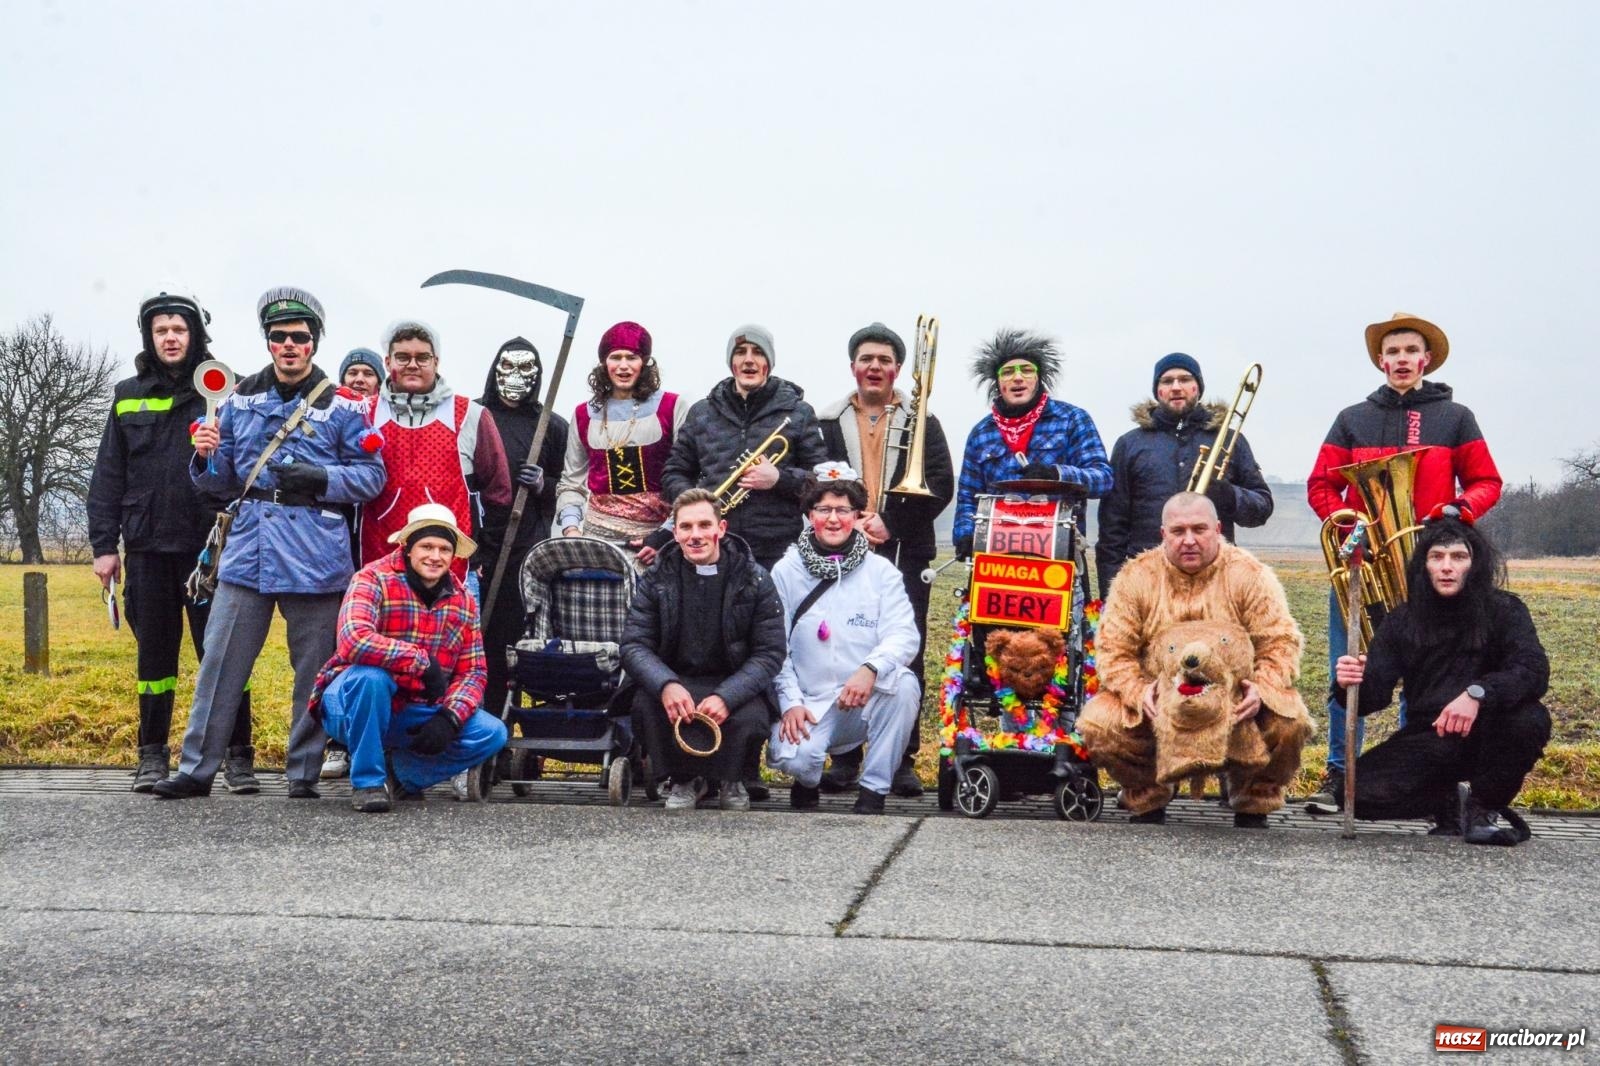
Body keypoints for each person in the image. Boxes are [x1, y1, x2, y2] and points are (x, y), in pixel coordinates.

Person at [152, 286, 385, 799]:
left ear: (314, 344)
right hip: (249, 548)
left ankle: (303, 773)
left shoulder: (345, 406)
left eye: (299, 337)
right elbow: (219, 483)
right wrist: (206, 455)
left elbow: (371, 478)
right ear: (268, 342)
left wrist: (321, 478)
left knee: (315, 672)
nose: (288, 345)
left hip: (315, 551)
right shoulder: (237, 400)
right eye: (279, 337)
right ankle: (196, 770)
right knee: (219, 664)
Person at [1305, 312, 1503, 806]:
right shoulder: (1352, 418)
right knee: (1349, 668)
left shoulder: (1455, 417)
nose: (1401, 360)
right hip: (1364, 564)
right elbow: (1320, 484)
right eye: (1392, 352)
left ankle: (1420, 775)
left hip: (1430, 568)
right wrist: (1352, 526)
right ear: (1380, 360)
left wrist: (1459, 511)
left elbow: (1487, 482)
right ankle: (1339, 771)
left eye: (1410, 351)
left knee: (1431, 674)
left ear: (1426, 359)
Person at [87, 291, 258, 793]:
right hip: (147, 548)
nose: (169, 337)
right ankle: (152, 756)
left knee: (223, 656)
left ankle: (238, 756)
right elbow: (107, 478)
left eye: (178, 329)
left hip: (210, 547)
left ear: (195, 335)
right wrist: (104, 547)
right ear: (149, 337)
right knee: (155, 660)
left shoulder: (228, 392)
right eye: (160, 329)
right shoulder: (126, 394)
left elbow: (248, 467)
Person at [1079, 492, 1313, 827]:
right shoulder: (1135, 578)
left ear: (1217, 529)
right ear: (1163, 535)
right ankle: (1149, 792)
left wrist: (1261, 689)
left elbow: (1281, 643)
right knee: (1099, 723)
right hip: (1159, 709)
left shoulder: (1250, 575)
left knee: (1291, 722)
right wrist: (1137, 692)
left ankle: (1251, 795)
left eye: (1199, 529)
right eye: (1178, 531)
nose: (1189, 540)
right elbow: (1113, 651)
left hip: (1235, 710)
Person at [1331, 517, 1550, 845]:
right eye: (1437, 557)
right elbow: (1372, 699)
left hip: (1493, 730)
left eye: (1458, 557)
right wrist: (1350, 682)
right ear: (1425, 565)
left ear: (1474, 564)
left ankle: (1483, 807)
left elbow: (1533, 671)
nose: (1447, 567)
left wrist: (1478, 694)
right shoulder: (1402, 621)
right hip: (1432, 738)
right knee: (1352, 793)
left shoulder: (1505, 610)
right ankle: (1448, 802)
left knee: (1530, 719)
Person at [813, 322, 954, 797]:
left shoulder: (923, 419)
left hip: (906, 548)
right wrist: (851, 523)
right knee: (844, 649)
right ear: (853, 366)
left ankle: (900, 759)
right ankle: (845, 756)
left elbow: (939, 481)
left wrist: (891, 523)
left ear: (898, 369)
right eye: (866, 359)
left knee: (905, 649)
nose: (875, 367)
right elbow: (819, 483)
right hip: (843, 547)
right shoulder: (828, 420)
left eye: (885, 360)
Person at [308, 504, 509, 813]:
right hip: (350, 703)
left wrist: (449, 718)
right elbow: (353, 640)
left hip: (417, 709)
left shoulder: (463, 600)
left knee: (492, 732)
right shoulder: (372, 578)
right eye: (426, 546)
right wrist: (420, 661)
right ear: (408, 548)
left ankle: (401, 775)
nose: (435, 556)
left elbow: (474, 672)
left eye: (444, 549)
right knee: (371, 678)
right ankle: (368, 783)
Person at [764, 465, 921, 814]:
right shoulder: (785, 571)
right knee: (797, 758)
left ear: (857, 515)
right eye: (823, 510)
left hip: (862, 697)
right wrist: (790, 702)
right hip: (809, 701)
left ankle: (873, 791)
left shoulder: (881, 572)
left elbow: (903, 634)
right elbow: (773, 645)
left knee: (905, 686)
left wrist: (871, 668)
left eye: (843, 510)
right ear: (809, 516)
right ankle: (807, 783)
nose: (833, 519)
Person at [619, 489, 786, 812]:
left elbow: (770, 653)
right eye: (686, 527)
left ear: (721, 529)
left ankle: (731, 777)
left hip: (734, 683)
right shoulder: (656, 578)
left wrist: (728, 696)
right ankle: (683, 778)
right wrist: (665, 685)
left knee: (750, 717)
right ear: (676, 532)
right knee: (644, 705)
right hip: (676, 680)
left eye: (703, 525)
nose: (695, 536)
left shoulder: (755, 578)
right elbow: (634, 644)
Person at [1096, 352, 1273, 596]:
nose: (1176, 387)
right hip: (1149, 579)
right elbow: (1112, 527)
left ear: (1197, 388)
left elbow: (1262, 507)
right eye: (1167, 381)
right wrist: (1112, 590)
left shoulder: (1232, 439)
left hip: (1215, 579)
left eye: (1185, 379)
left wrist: (1228, 495)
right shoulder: (1130, 444)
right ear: (1157, 391)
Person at [660, 324, 829, 571]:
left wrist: (779, 479)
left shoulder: (798, 412)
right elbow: (674, 472)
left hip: (777, 550)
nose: (749, 360)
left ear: (769, 362)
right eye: (740, 352)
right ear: (732, 363)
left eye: (758, 352)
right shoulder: (702, 412)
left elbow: (823, 480)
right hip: (714, 545)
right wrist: (695, 504)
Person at [359, 321, 513, 585]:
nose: (413, 365)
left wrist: (483, 553)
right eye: (403, 357)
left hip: (450, 570)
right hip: (378, 564)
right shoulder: (364, 412)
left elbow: (498, 492)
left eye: (423, 358)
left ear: (436, 361)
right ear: (387, 362)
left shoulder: (469, 415)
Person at [952, 329, 1113, 559]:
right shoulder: (981, 433)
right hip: (995, 556)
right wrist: (967, 534)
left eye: (1027, 370)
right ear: (998, 383)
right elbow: (968, 496)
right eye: (1008, 372)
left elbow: (1103, 479)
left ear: (1038, 378)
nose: (1018, 378)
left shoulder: (1072, 419)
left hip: (1059, 556)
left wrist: (1057, 475)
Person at [475, 335, 569, 720]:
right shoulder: (473, 415)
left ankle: (507, 731)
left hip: (525, 547)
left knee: (510, 645)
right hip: (479, 545)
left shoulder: (552, 425)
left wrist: (544, 484)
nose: (516, 376)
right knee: (472, 643)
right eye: (508, 365)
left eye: (526, 368)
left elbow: (567, 489)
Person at [555, 320, 685, 563]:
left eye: (632, 357)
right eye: (616, 357)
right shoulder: (583, 415)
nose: (623, 366)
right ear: (604, 363)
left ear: (644, 362)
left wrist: (666, 534)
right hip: (597, 539)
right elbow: (571, 482)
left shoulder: (672, 407)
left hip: (657, 541)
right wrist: (572, 530)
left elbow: (688, 476)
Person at [320, 345, 388, 782]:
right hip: (334, 550)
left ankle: (380, 740)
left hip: (379, 546)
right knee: (340, 648)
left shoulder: (383, 420)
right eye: (353, 372)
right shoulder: (327, 415)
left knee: (380, 649)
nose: (360, 379)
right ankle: (337, 742)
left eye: (368, 373)